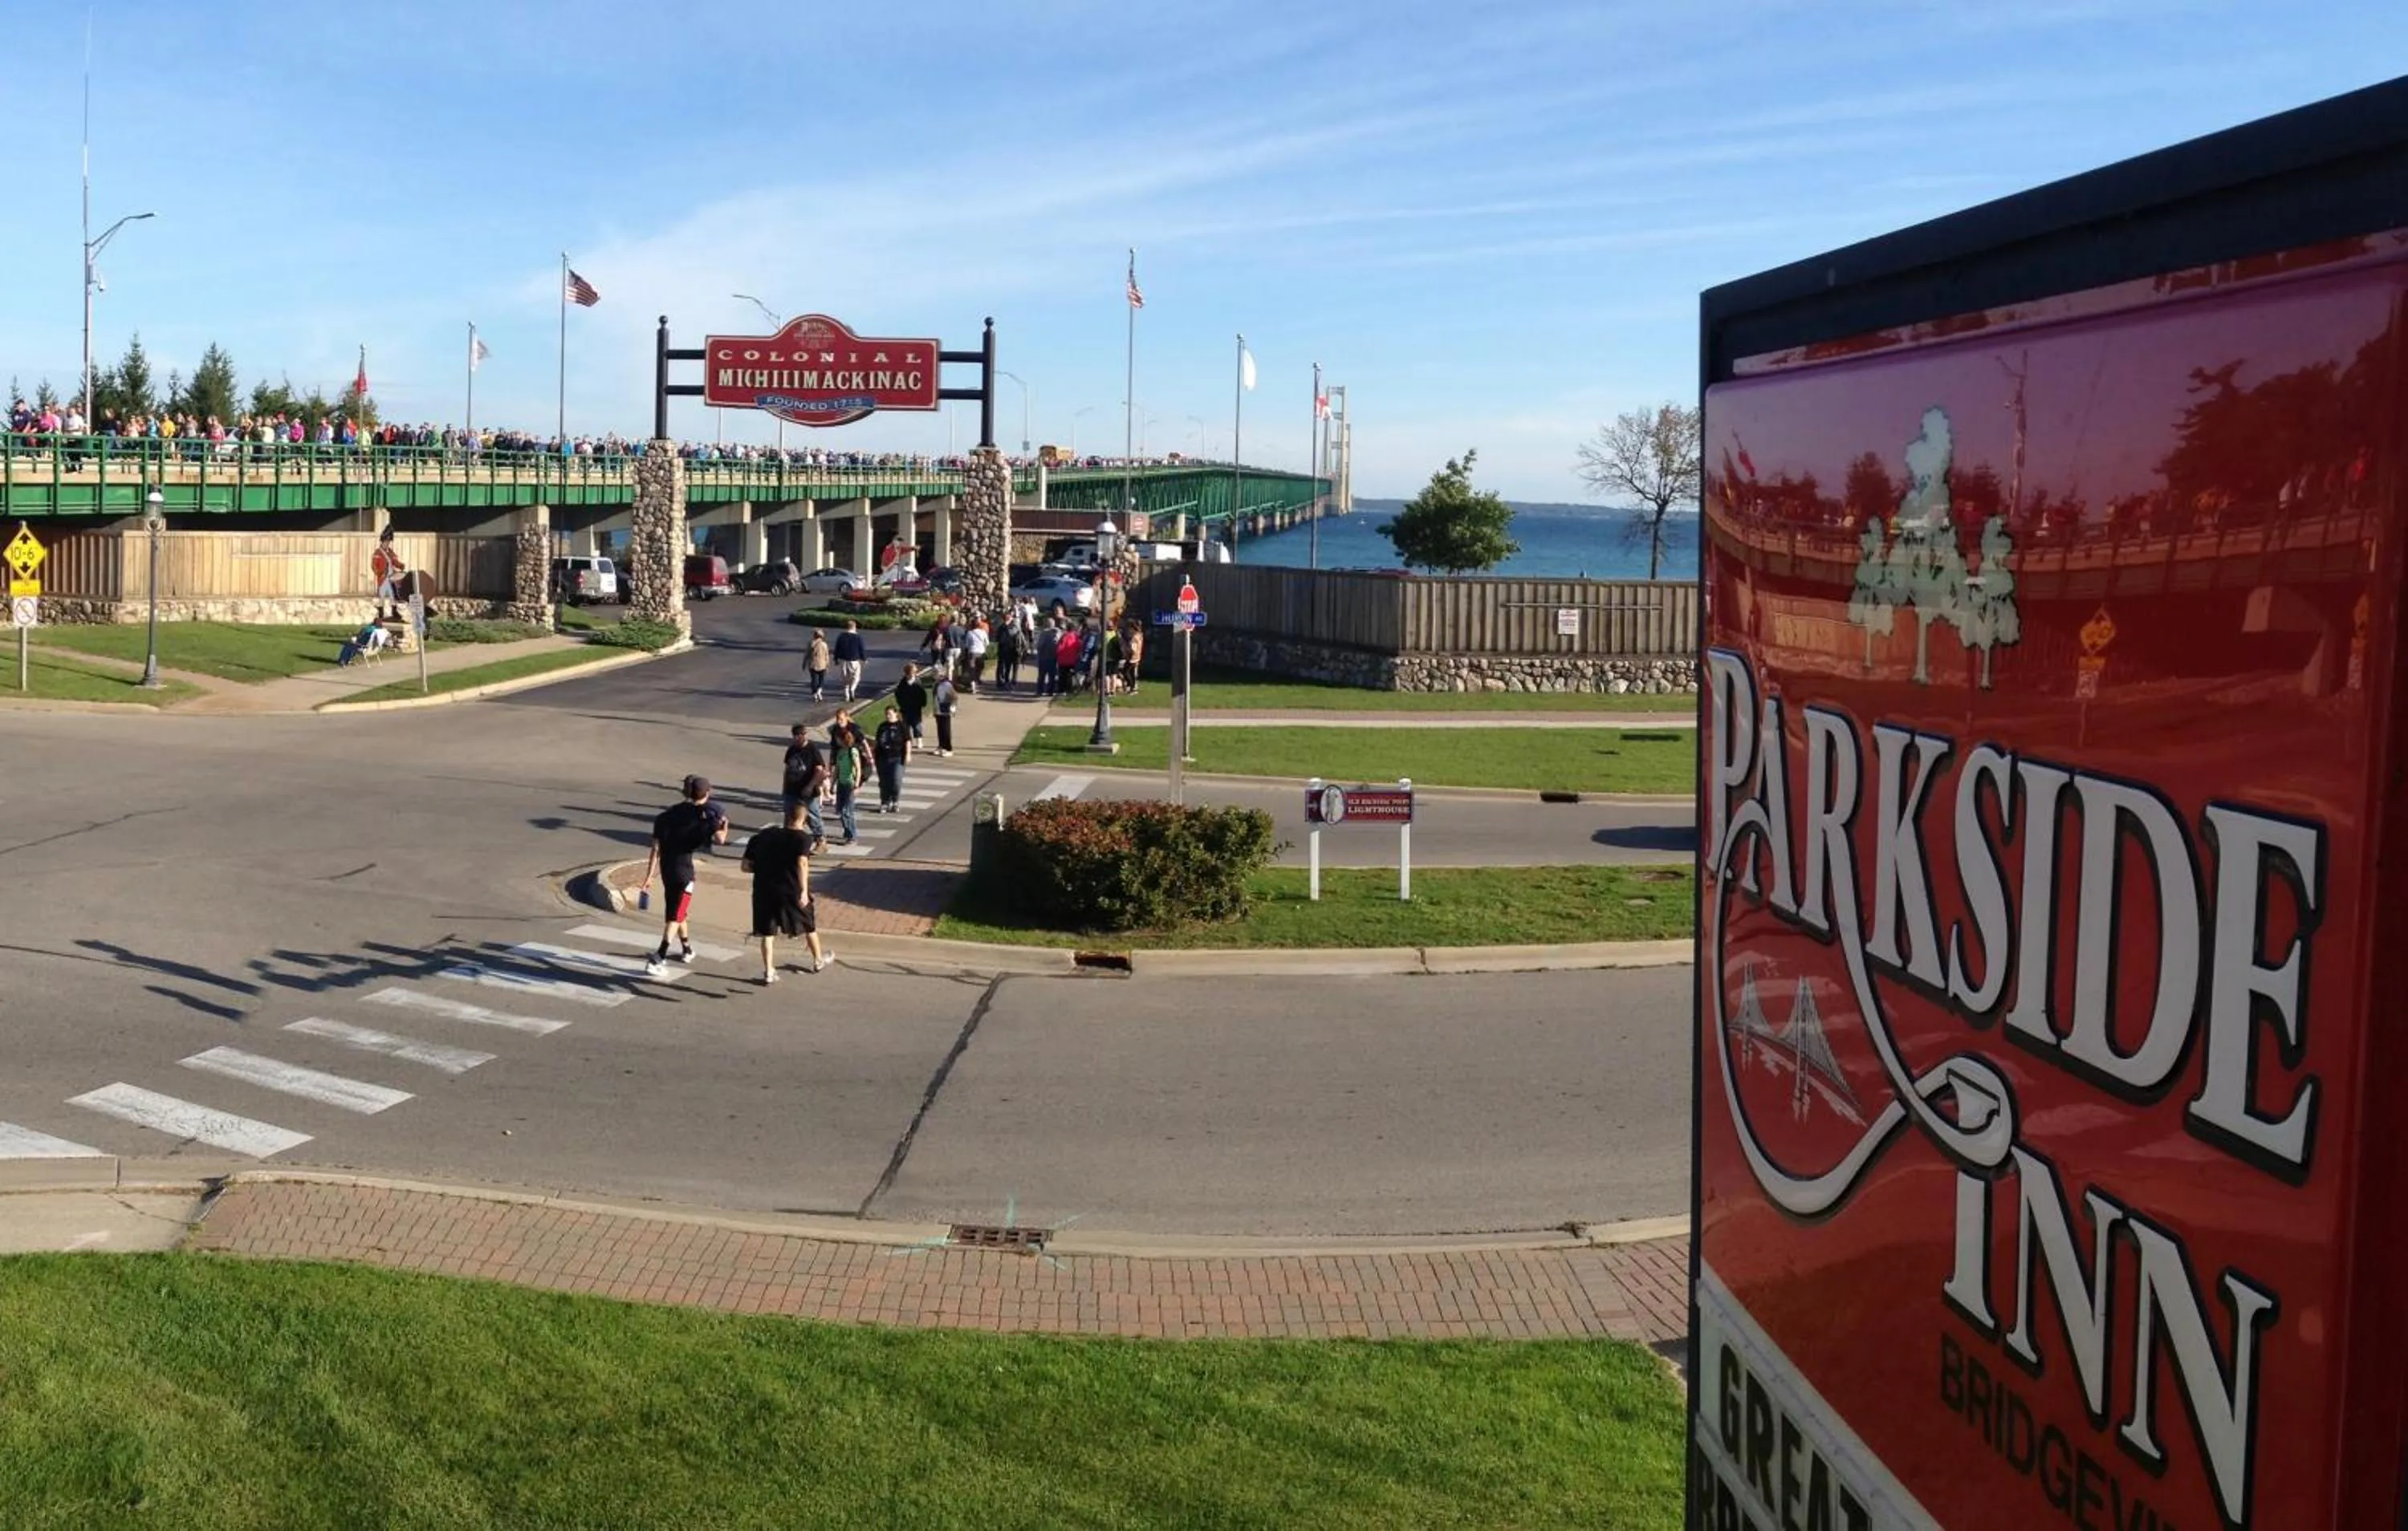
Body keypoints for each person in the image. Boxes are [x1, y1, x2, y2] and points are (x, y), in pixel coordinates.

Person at [640, 774, 730, 976]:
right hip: (685, 873)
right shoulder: (704, 817)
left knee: (679, 910)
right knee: (675, 915)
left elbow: (656, 848)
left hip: (667, 870)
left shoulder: (666, 816)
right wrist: (725, 826)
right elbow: (721, 839)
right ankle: (659, 957)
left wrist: (649, 876)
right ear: (707, 793)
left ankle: (687, 948)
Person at [740, 802, 828, 983]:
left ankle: (769, 971)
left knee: (768, 932)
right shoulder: (802, 839)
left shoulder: (763, 836)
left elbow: (745, 867)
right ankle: (818, 960)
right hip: (791, 890)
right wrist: (804, 891)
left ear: (786, 818)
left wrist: (764, 869)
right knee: (808, 924)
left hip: (764, 890)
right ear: (804, 820)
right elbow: (802, 863)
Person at [781, 723, 828, 844]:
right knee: (789, 816)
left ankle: (820, 840)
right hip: (791, 789)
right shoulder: (792, 749)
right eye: (796, 736)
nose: (798, 738)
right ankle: (789, 841)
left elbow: (820, 771)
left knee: (812, 817)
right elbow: (787, 769)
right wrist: (784, 786)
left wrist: (810, 786)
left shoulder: (812, 750)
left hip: (808, 791)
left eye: (801, 735)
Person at [828, 709, 868, 844]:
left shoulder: (853, 751)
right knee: (840, 810)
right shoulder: (840, 753)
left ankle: (852, 836)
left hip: (850, 783)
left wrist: (857, 785)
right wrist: (832, 784)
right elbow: (837, 769)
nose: (837, 741)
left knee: (847, 811)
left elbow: (858, 768)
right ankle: (847, 832)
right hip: (841, 783)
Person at [872, 703, 912, 814]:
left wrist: (908, 754)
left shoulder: (902, 726)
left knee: (896, 780)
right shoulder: (882, 726)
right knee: (884, 782)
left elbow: (907, 740)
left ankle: (895, 801)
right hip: (882, 758)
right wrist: (873, 755)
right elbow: (877, 742)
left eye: (890, 714)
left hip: (898, 757)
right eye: (886, 714)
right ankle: (885, 802)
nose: (888, 716)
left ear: (896, 714)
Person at [832, 619, 868, 701]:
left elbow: (837, 648)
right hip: (854, 660)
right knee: (856, 677)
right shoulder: (858, 637)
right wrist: (864, 658)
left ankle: (846, 695)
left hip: (843, 660)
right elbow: (861, 649)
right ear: (854, 627)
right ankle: (852, 689)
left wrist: (835, 659)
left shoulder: (841, 636)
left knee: (845, 678)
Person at [895, 662, 929, 744]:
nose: (914, 674)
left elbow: (923, 694)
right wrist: (901, 704)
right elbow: (898, 694)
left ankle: (919, 740)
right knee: (906, 725)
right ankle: (909, 741)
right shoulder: (902, 683)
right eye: (913, 672)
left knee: (917, 725)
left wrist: (923, 703)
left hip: (916, 708)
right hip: (905, 708)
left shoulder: (918, 682)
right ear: (908, 673)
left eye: (915, 672)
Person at [933, 671, 958, 756]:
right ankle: (941, 746)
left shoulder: (947, 685)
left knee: (946, 730)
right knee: (940, 730)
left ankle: (948, 749)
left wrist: (953, 707)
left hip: (945, 710)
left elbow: (954, 697)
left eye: (936, 674)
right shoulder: (936, 684)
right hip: (938, 710)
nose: (934, 676)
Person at [963, 619, 990, 694]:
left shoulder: (969, 633)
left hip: (972, 652)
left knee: (972, 669)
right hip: (981, 652)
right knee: (980, 667)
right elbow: (987, 643)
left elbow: (967, 644)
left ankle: (973, 687)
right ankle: (977, 679)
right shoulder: (983, 632)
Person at [995, 619, 1021, 693]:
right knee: (1015, 669)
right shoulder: (1020, 631)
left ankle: (1007, 683)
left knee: (1008, 668)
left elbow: (1001, 640)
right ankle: (1014, 683)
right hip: (1017, 653)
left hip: (1008, 652)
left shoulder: (1007, 631)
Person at [806, 631, 832, 703]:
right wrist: (828, 665)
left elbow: (807, 654)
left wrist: (804, 663)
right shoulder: (824, 644)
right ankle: (819, 691)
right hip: (822, 664)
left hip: (813, 664)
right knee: (821, 679)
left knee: (814, 680)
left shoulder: (811, 643)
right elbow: (827, 655)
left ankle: (815, 694)